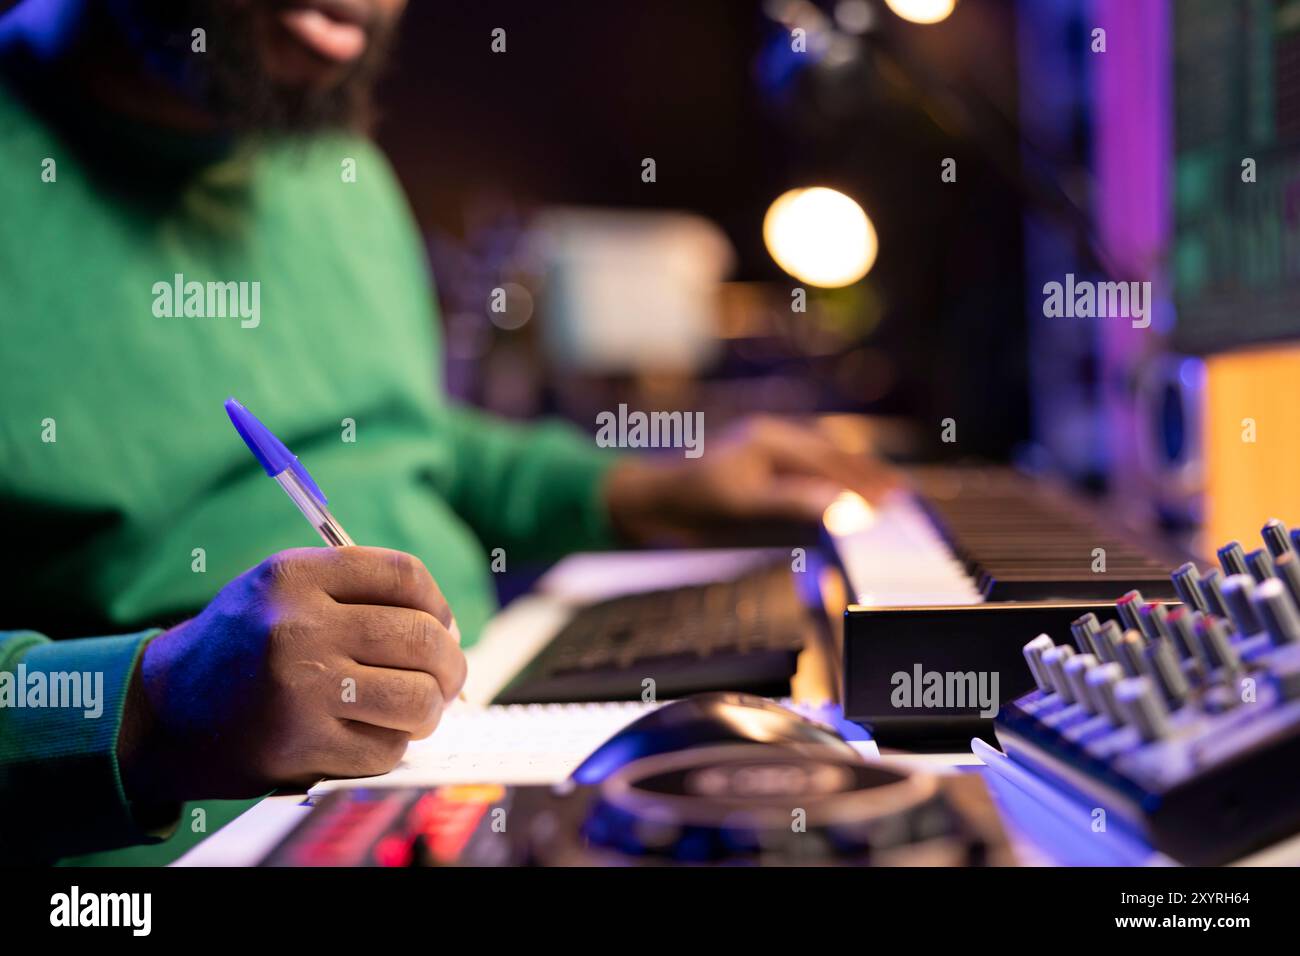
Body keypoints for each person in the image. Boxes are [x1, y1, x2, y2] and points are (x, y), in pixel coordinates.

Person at [0, 0, 893, 864]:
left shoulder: (324, 153)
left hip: (479, 713)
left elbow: (409, 440)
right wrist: (156, 710)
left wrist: (642, 491)